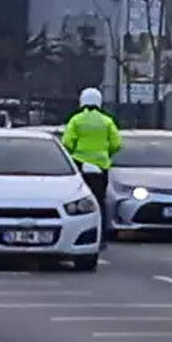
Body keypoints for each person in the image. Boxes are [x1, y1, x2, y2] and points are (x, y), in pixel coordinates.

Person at [62, 87, 121, 240]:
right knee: (100, 201)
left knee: (80, 202)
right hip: (101, 167)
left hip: (80, 165)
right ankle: (101, 236)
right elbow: (116, 143)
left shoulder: (76, 120)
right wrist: (106, 154)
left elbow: (67, 142)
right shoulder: (107, 121)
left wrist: (75, 153)